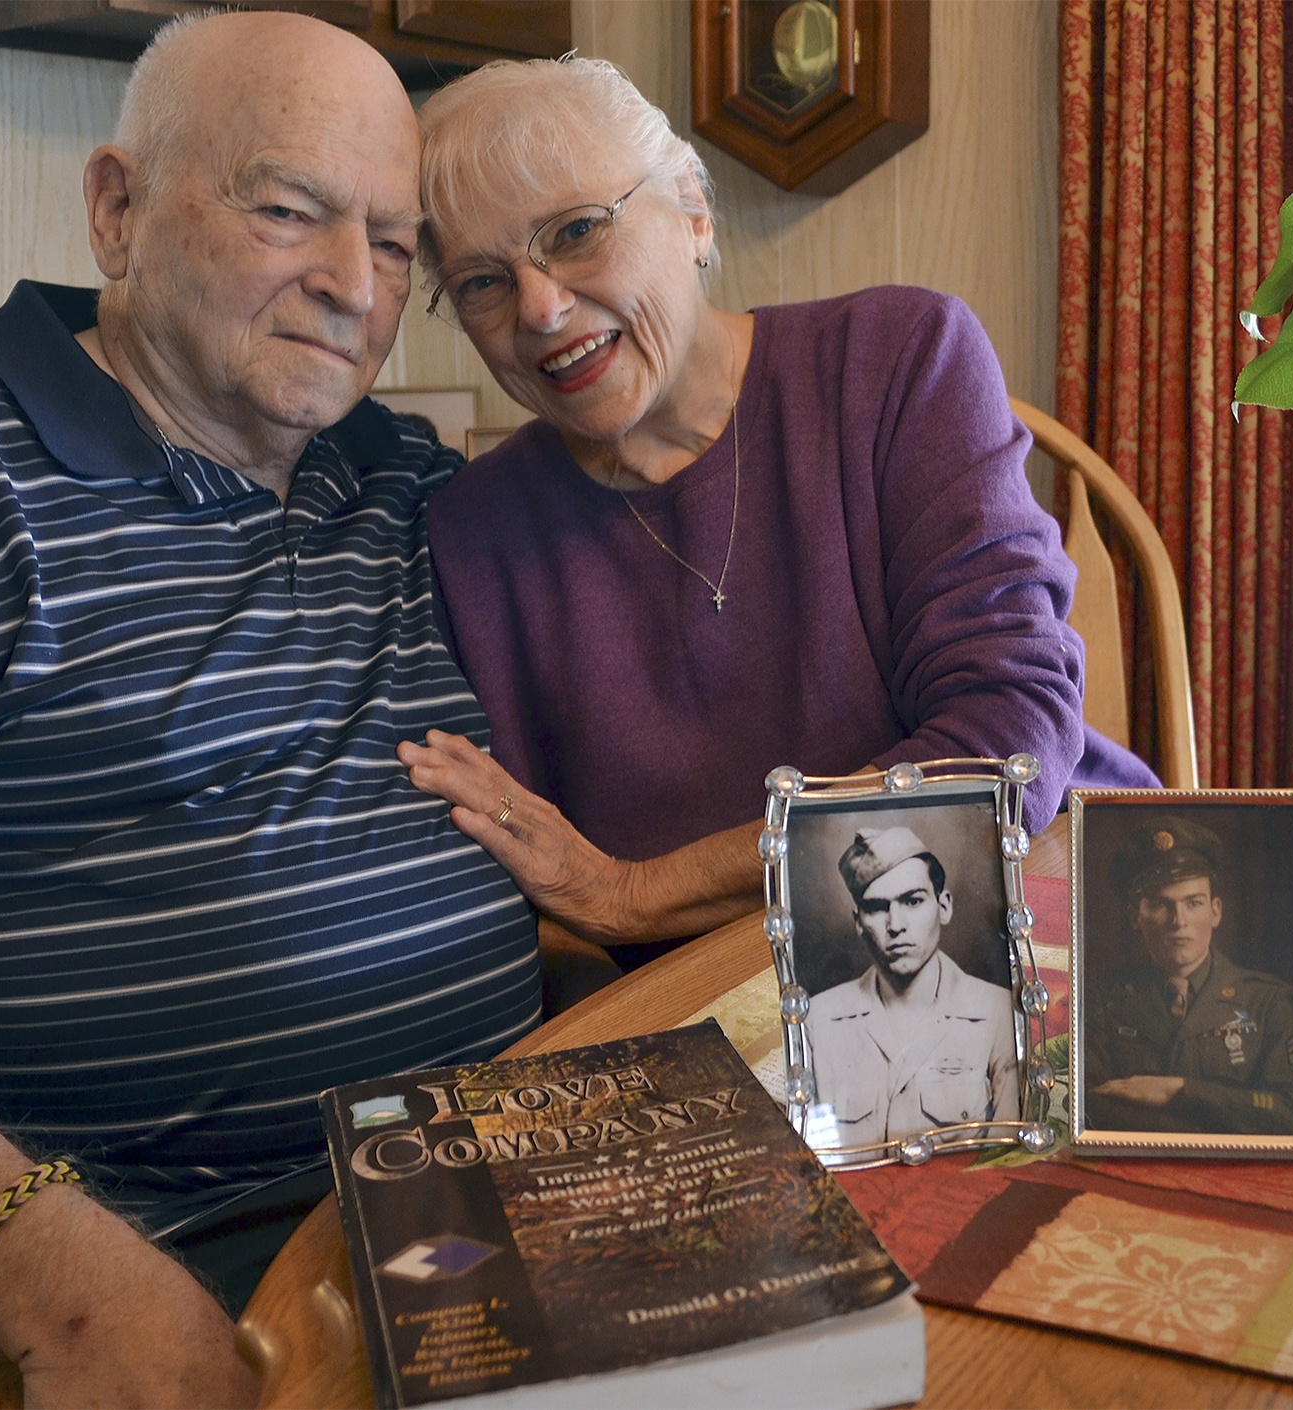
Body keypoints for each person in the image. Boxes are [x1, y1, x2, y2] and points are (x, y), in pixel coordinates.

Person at [0, 14, 539, 1404]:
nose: (352, 286)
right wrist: (54, 1285)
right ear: (116, 210)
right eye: (289, 210)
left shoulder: (404, 480)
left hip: (509, 1211)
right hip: (176, 1268)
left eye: (393, 241)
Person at [395, 57, 1157, 972]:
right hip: (733, 1014)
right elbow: (524, 885)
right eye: (482, 281)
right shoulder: (472, 532)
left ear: (692, 211)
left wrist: (629, 894)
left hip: (1035, 931)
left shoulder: (899, 361)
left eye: (578, 231)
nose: (543, 307)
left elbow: (1004, 750)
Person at [1084, 816, 1293, 1135]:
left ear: (1215, 911)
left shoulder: (1268, 1001)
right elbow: (1085, 1111)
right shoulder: (1101, 999)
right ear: (1135, 916)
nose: (1179, 921)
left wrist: (1179, 1091)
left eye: (1193, 903)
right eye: (1161, 904)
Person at [804, 826, 1019, 1146]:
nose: (896, 925)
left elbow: (1006, 1158)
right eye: (877, 908)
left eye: (913, 901)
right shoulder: (816, 1020)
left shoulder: (999, 1012)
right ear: (858, 923)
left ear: (943, 906)